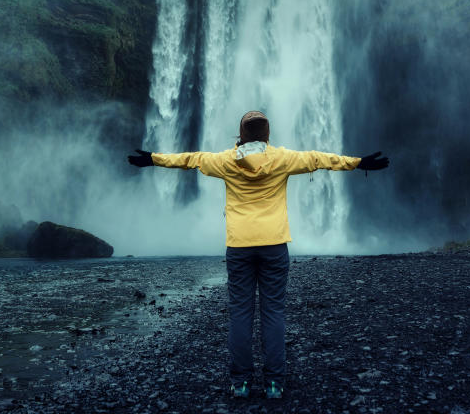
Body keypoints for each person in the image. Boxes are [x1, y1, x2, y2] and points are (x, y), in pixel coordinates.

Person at [128, 109, 389, 400]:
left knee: (240, 313)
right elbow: (319, 158)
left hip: (239, 245)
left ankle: (240, 383)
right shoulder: (283, 158)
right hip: (275, 244)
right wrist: (358, 163)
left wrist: (153, 158)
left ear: (241, 135)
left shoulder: (226, 160)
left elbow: (190, 159)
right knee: (273, 312)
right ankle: (274, 384)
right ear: (267, 134)